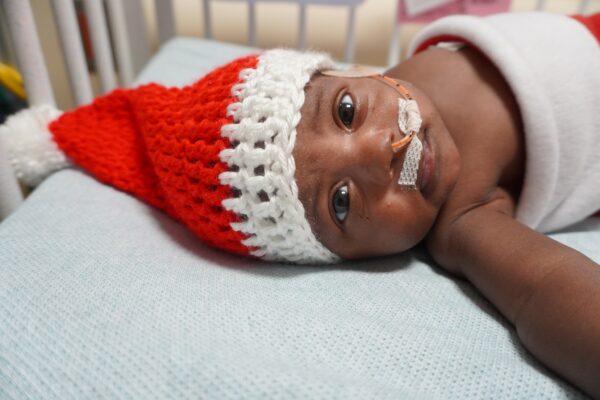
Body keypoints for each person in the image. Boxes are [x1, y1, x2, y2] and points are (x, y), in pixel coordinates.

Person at [1, 10, 599, 398]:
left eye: (346, 111)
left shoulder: (397, 78)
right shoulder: (461, 220)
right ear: (344, 259)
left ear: (349, 74)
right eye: (340, 202)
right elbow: (544, 289)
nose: (380, 151)